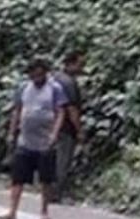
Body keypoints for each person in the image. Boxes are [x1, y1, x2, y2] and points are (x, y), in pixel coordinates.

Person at [0, 59, 67, 219]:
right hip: (25, 140)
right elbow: (17, 110)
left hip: (45, 141)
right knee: (18, 178)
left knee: (45, 179)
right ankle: (12, 211)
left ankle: (44, 211)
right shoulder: (24, 87)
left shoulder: (55, 89)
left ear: (45, 73)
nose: (36, 77)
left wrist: (54, 134)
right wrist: (11, 132)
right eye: (33, 74)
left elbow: (60, 112)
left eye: (39, 74)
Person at [52, 51, 84, 204]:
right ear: (71, 64)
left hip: (52, 125)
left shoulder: (55, 79)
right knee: (63, 161)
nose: (81, 67)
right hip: (65, 128)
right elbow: (71, 109)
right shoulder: (69, 83)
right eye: (79, 64)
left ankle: (50, 190)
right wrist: (79, 130)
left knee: (54, 159)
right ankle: (57, 193)